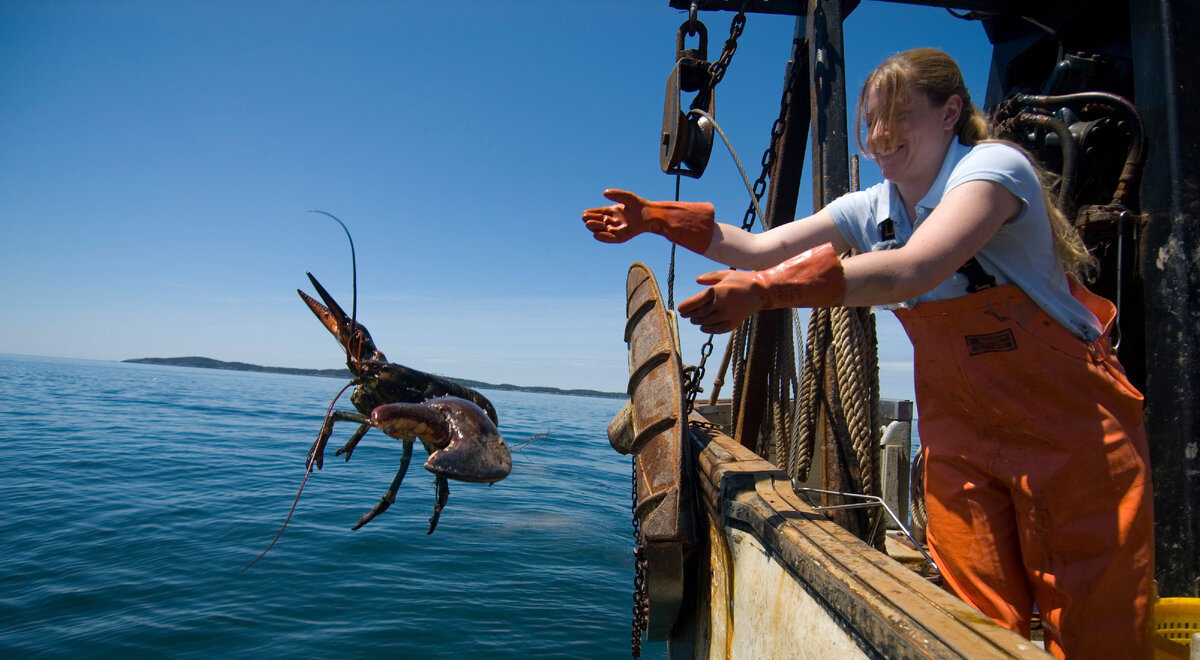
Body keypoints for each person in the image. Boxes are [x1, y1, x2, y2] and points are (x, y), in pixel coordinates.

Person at [581, 48, 1155, 659]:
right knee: (975, 623)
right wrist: (659, 219)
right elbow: (757, 249)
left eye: (899, 116)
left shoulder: (994, 170)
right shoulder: (873, 208)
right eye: (871, 121)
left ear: (950, 112)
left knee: (1097, 625)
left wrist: (768, 292)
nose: (880, 135)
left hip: (1071, 431)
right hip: (961, 437)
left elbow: (913, 269)